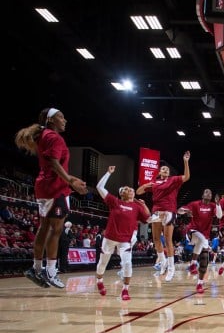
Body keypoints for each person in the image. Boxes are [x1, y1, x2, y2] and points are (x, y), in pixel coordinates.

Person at [15, 107, 88, 288]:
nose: (65, 120)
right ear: (51, 121)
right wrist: (70, 180)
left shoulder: (44, 136)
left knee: (45, 228)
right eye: (61, 117)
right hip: (55, 188)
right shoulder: (54, 137)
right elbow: (53, 163)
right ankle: (51, 271)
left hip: (44, 187)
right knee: (56, 230)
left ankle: (36, 268)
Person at [95, 166, 149, 300]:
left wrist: (147, 207)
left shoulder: (136, 207)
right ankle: (99, 281)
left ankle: (125, 290)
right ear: (121, 194)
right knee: (103, 262)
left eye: (130, 189)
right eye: (125, 189)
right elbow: (99, 187)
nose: (129, 190)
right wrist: (108, 172)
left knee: (127, 263)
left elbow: (147, 218)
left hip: (125, 240)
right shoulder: (115, 202)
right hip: (110, 238)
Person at [136, 151, 190, 282]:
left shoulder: (173, 180)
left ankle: (171, 269)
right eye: (163, 169)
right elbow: (138, 192)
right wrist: (144, 185)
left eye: (167, 169)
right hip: (156, 211)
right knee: (155, 239)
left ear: (169, 172)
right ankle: (163, 261)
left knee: (167, 239)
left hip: (169, 211)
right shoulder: (154, 183)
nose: (165, 170)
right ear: (159, 172)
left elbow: (186, 177)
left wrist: (185, 161)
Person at [177, 188, 218, 294]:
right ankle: (194, 263)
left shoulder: (213, 206)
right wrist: (184, 211)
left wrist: (218, 204)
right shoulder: (195, 204)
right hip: (192, 232)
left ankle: (199, 283)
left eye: (210, 193)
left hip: (204, 236)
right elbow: (180, 210)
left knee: (205, 260)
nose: (208, 194)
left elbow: (219, 215)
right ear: (202, 195)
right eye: (206, 192)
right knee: (202, 239)